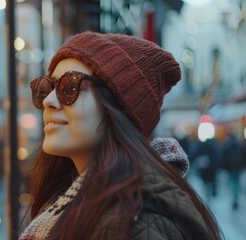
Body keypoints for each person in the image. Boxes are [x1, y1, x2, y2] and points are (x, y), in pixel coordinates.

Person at [20, 32, 222, 239]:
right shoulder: (69, 202)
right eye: (49, 87)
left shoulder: (133, 220)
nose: (48, 101)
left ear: (117, 107)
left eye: (69, 86)